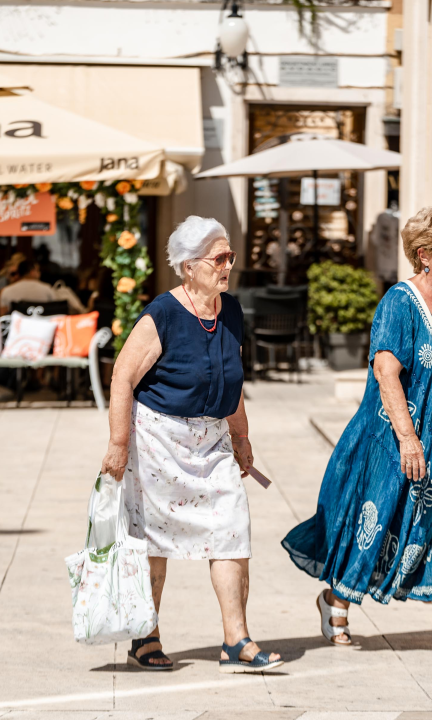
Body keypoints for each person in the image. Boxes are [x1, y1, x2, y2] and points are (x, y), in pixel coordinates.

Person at [282, 206, 432, 655]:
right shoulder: (400, 302)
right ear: (423, 255)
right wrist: (408, 438)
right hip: (395, 442)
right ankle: (335, 598)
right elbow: (385, 370)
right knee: (376, 525)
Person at [100, 216, 284, 674]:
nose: (227, 266)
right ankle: (146, 635)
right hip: (159, 439)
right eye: (218, 258)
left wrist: (241, 436)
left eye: (229, 257)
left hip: (212, 440)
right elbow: (123, 377)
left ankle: (236, 639)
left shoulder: (232, 311)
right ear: (187, 266)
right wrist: (118, 443)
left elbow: (233, 380)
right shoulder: (161, 314)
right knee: (154, 541)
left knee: (231, 530)